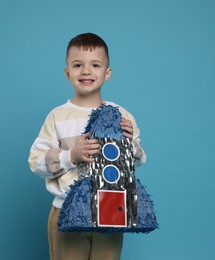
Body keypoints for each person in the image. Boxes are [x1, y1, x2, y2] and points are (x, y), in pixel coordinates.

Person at [28, 32, 146, 260]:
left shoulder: (121, 115)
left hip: (112, 208)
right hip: (67, 209)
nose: (86, 71)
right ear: (67, 72)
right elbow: (36, 163)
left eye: (95, 65)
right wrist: (70, 156)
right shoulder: (57, 116)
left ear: (107, 73)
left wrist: (130, 146)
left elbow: (139, 160)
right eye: (77, 65)